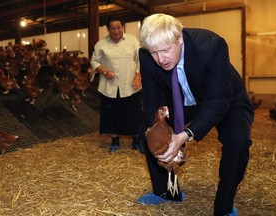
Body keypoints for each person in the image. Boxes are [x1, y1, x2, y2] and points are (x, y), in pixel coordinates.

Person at [137, 13, 254, 216]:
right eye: (154, 52)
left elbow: (218, 101)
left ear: (179, 38)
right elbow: (151, 97)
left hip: (224, 96)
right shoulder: (147, 55)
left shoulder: (212, 46)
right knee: (146, 131)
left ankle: (224, 207)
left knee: (238, 141)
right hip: (181, 98)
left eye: (165, 50)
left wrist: (185, 135)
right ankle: (167, 192)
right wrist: (157, 129)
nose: (160, 59)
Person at [90, 14, 144, 154]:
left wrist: (138, 76)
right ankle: (115, 141)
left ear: (123, 27)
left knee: (134, 113)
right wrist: (104, 71)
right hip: (110, 86)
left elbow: (140, 59)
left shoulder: (132, 40)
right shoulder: (101, 44)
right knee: (111, 114)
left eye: (118, 27)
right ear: (107, 29)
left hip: (130, 85)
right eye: (112, 28)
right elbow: (94, 61)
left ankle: (136, 141)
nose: (116, 31)